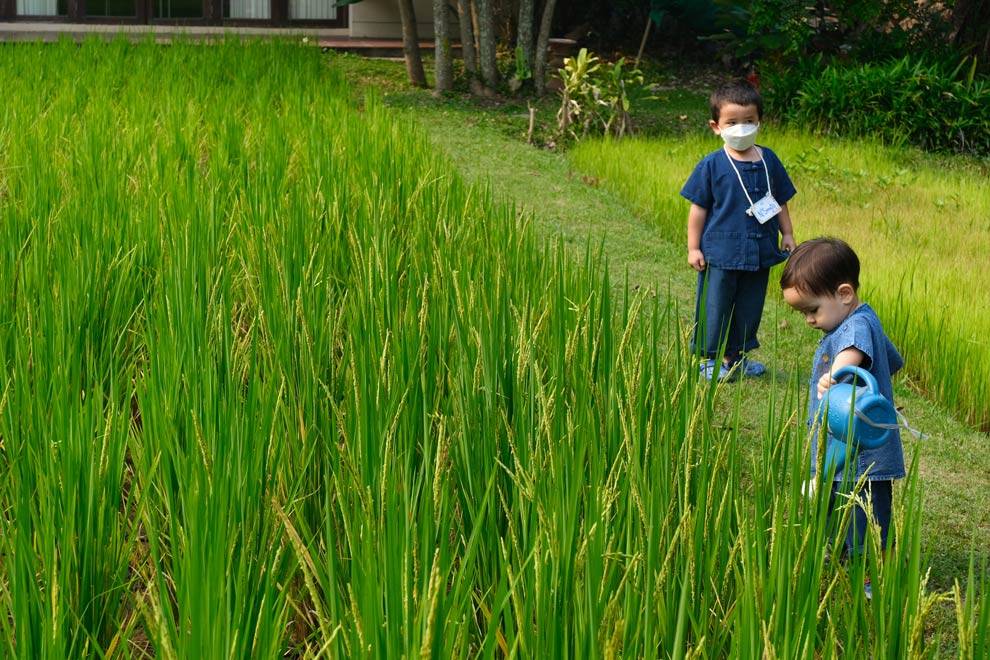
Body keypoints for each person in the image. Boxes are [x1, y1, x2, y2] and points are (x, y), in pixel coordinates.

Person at [780, 237, 905, 594]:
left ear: (845, 293)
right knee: (841, 500)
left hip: (863, 450)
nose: (808, 320)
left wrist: (836, 372)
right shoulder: (860, 318)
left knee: (867, 510)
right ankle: (845, 551)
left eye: (812, 310)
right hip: (842, 444)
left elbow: (854, 351)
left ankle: (874, 571)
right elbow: (890, 360)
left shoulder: (854, 327)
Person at [680, 80, 797, 381]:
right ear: (716, 126)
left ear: (759, 122)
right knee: (715, 304)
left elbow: (779, 200)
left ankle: (736, 357)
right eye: (732, 122)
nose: (741, 128)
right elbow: (698, 209)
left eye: (749, 122)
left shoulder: (768, 160)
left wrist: (787, 233)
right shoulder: (712, 165)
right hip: (721, 251)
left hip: (760, 250)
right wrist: (694, 247)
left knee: (749, 306)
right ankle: (708, 358)